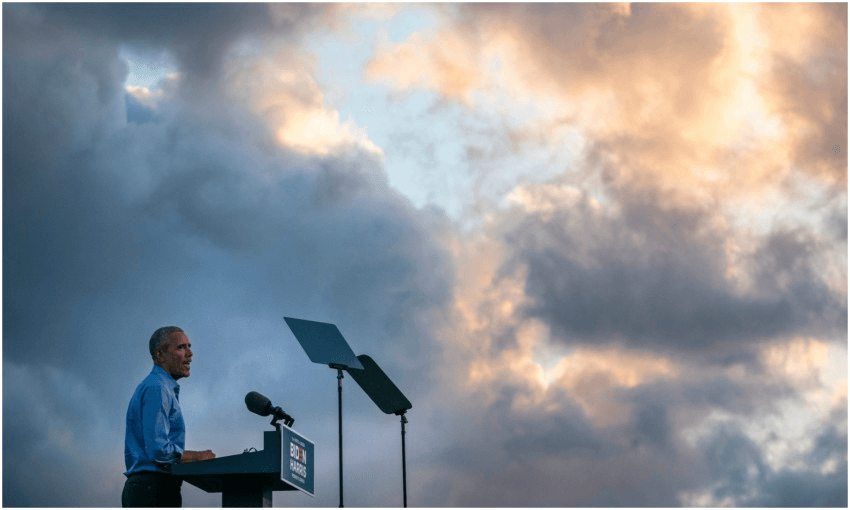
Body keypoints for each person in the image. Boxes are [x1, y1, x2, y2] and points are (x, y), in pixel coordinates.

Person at [122, 326, 216, 507]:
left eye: (189, 346)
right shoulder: (157, 388)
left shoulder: (160, 387)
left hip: (154, 488)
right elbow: (159, 451)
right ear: (159, 355)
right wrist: (198, 457)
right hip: (152, 489)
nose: (190, 353)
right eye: (181, 347)